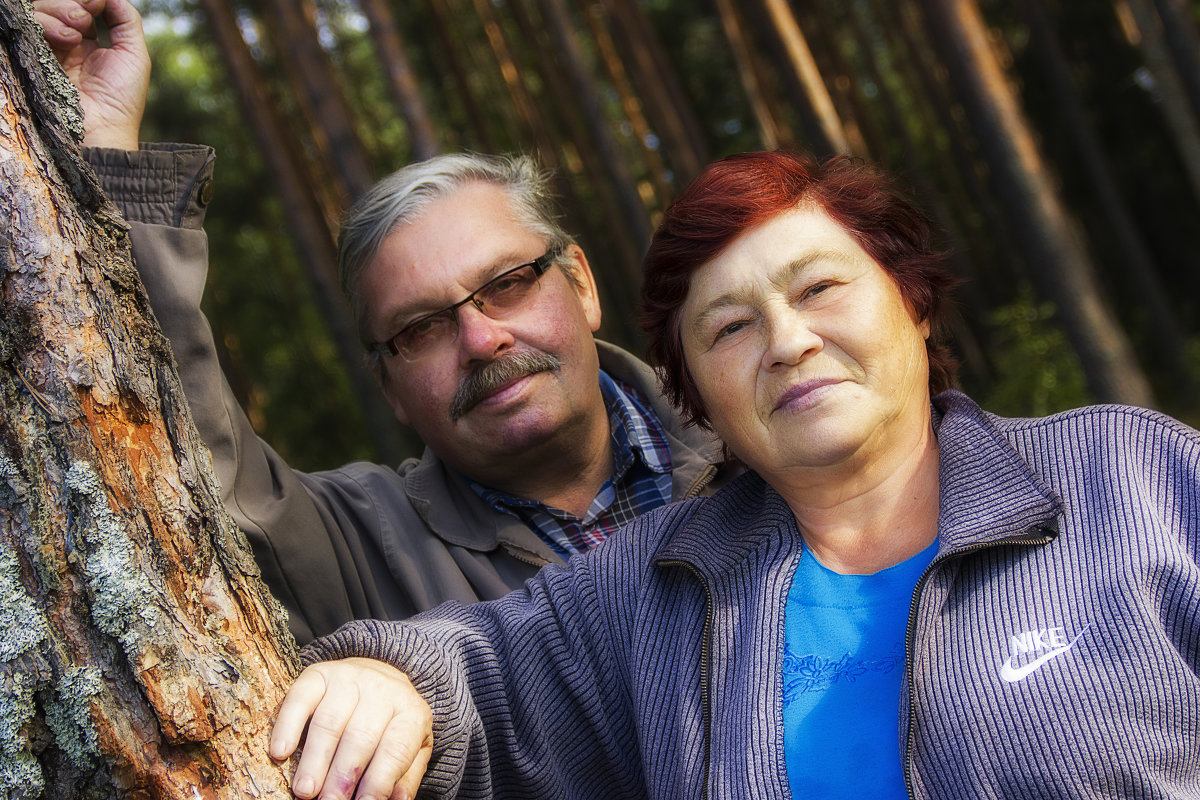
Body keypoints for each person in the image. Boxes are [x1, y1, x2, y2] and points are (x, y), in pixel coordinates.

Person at [269, 149, 1200, 800]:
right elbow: (482, 666)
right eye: (730, 328)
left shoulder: (1133, 475)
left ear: (911, 301)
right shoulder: (652, 584)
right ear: (701, 394)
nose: (789, 342)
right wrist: (388, 680)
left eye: (819, 288)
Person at [35, 0, 731, 644]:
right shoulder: (354, 546)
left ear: (579, 282)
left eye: (508, 284)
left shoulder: (753, 436)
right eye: (420, 328)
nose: (483, 340)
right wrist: (103, 149)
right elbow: (178, 447)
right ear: (389, 387)